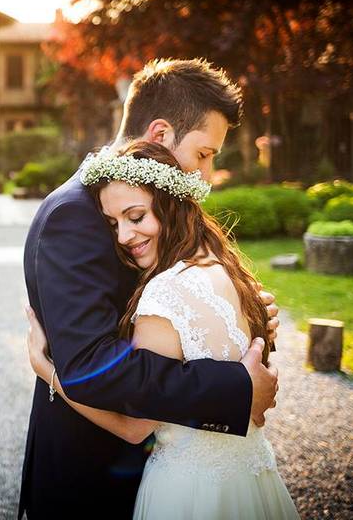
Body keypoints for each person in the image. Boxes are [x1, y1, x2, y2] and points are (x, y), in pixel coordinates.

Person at [17, 58, 280, 519]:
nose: (204, 176)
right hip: (92, 474)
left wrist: (238, 316)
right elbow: (91, 364)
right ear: (160, 136)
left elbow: (177, 311)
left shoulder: (153, 214)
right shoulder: (74, 215)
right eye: (202, 154)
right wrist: (234, 390)